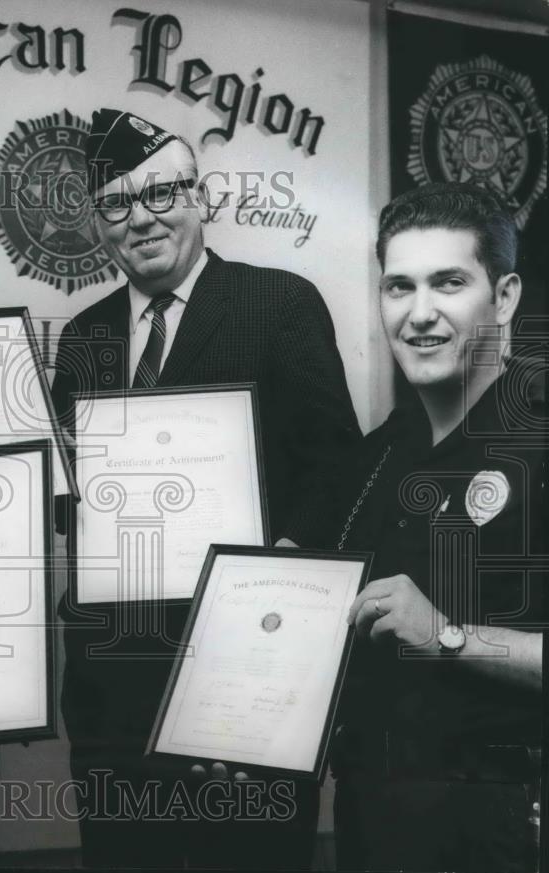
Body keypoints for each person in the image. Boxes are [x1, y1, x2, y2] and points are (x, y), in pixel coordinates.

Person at [50, 108, 361, 869]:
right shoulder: (82, 338)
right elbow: (73, 504)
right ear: (99, 222)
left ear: (201, 198)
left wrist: (276, 574)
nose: (142, 218)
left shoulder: (280, 303)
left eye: (162, 193)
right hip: (112, 696)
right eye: (118, 202)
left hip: (242, 679)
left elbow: (337, 469)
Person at [286, 182, 544, 873]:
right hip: (372, 819)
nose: (419, 314)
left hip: (507, 825)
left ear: (506, 296)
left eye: (449, 282)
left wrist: (446, 635)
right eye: (398, 287)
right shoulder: (370, 458)